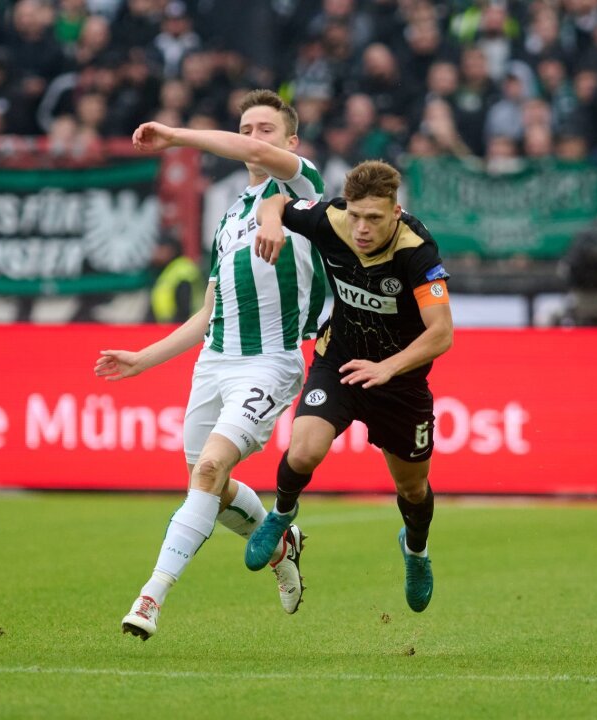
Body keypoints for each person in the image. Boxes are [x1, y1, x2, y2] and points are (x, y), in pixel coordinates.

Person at [94, 89, 327, 640]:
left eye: (265, 129)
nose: (254, 137)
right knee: (210, 482)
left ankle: (151, 597)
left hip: (270, 363)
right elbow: (208, 313)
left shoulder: (303, 186)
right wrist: (142, 360)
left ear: (290, 141)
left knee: (206, 471)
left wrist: (175, 135)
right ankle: (284, 543)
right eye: (246, 126)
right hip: (214, 363)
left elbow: (251, 154)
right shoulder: (228, 217)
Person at [247, 160, 453, 614]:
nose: (361, 228)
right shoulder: (331, 219)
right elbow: (275, 198)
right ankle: (281, 515)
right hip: (338, 361)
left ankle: (415, 551)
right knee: (303, 452)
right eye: (356, 215)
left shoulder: (418, 251)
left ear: (395, 212)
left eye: (374, 218)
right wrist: (272, 224)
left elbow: (441, 333)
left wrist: (388, 368)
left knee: (413, 490)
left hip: (399, 383)